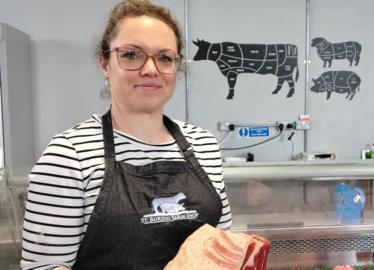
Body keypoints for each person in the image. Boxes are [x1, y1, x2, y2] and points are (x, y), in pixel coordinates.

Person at [20, 0, 232, 269]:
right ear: (105, 62)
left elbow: (225, 247)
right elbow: (43, 266)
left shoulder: (204, 145)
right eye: (132, 54)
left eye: (165, 57)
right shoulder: (69, 155)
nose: (151, 69)